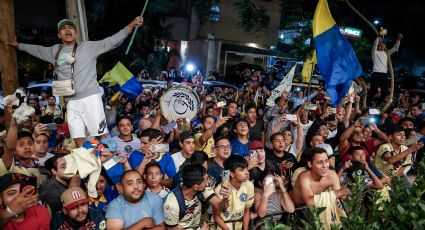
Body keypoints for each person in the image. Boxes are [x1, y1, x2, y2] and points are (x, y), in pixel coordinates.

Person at [8, 17, 144, 147]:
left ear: (76, 33)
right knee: (77, 135)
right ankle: (86, 159)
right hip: (71, 101)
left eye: (70, 27)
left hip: (90, 97)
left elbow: (112, 41)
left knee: (100, 134)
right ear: (59, 35)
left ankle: (104, 163)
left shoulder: (89, 47)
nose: (67, 29)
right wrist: (19, 45)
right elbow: (37, 49)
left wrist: (131, 25)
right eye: (63, 28)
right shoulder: (55, 50)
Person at [290, 147, 349, 229]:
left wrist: (348, 192)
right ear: (310, 164)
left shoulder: (331, 174)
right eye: (319, 162)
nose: (325, 166)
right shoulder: (304, 177)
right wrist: (338, 193)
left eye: (326, 161)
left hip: (316, 207)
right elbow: (309, 202)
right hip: (297, 209)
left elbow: (341, 196)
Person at [163, 164, 230, 229]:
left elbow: (221, 207)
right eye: (205, 179)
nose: (208, 182)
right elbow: (173, 229)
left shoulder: (204, 189)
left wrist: (225, 199)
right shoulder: (171, 204)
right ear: (196, 186)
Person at [213, 155, 254, 230]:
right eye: (241, 170)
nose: (247, 172)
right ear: (231, 173)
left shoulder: (249, 185)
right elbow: (216, 216)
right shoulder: (221, 190)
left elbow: (247, 211)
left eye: (246, 168)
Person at [368, 33, 403, 106]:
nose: (381, 46)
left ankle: (377, 104)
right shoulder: (375, 52)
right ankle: (368, 103)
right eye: (380, 45)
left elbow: (395, 49)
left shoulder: (387, 53)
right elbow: (374, 45)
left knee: (385, 92)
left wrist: (398, 40)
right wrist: (378, 38)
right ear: (378, 46)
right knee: (373, 91)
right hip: (376, 74)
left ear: (385, 46)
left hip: (384, 75)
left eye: (383, 44)